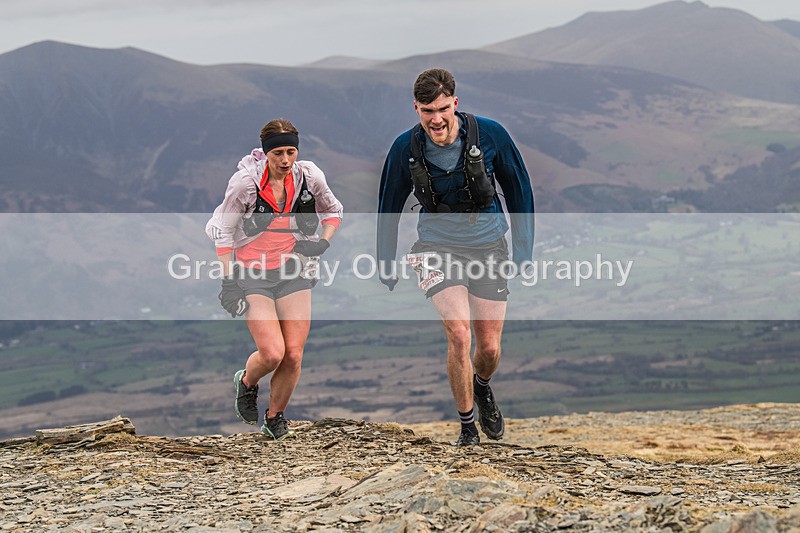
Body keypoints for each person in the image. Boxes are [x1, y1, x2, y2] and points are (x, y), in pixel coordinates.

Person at [377, 68, 534, 446]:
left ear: (455, 104)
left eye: (443, 108)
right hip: (435, 246)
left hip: (488, 244)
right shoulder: (405, 148)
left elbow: (519, 190)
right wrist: (385, 259)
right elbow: (388, 204)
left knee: (490, 348)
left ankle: (482, 387)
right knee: (459, 335)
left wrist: (523, 251)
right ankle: (467, 428)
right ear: (416, 108)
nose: (436, 119)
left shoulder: (491, 134)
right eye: (427, 110)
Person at [206, 118, 343, 440]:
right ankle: (247, 382)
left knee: (293, 353)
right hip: (252, 274)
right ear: (266, 153)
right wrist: (228, 283)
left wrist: (322, 243)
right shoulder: (245, 184)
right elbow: (223, 233)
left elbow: (334, 211)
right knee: (271, 353)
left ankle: (275, 416)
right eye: (278, 153)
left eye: (291, 151)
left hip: (293, 271)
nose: (285, 160)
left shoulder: (309, 177)